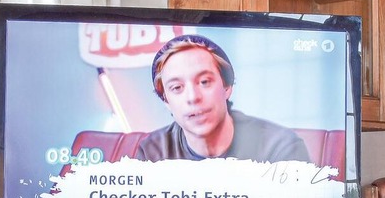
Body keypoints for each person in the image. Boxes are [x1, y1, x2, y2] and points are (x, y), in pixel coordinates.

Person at [133, 33, 313, 163]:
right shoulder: (152, 153)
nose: (193, 97)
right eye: (177, 88)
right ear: (166, 101)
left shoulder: (279, 147)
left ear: (227, 87)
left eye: (204, 82)